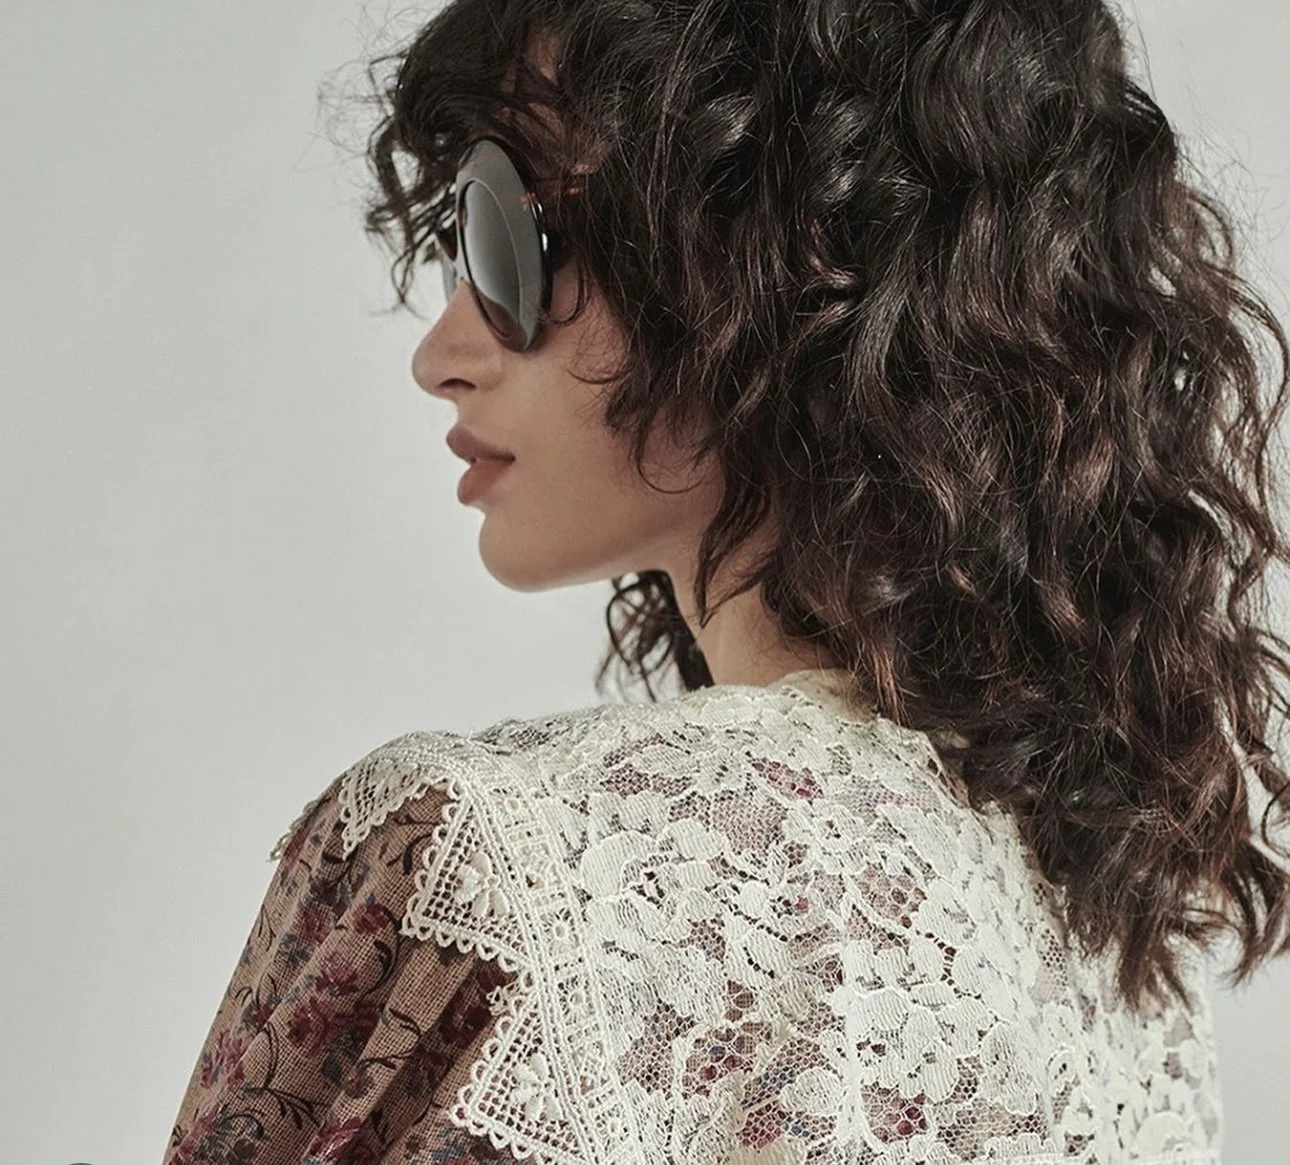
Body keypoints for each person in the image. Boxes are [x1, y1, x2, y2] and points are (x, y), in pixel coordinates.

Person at [162, 1, 1290, 1161]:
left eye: (508, 228)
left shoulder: (491, 867)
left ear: (771, 262)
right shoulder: (1131, 971)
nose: (440, 353)